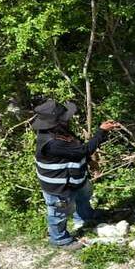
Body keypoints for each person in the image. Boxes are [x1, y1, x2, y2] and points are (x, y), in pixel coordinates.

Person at [32, 99, 121, 250]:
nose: (69, 118)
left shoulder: (60, 131)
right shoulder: (51, 142)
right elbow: (82, 150)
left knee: (83, 196)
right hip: (58, 186)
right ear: (57, 122)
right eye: (65, 117)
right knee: (57, 213)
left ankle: (85, 216)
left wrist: (89, 162)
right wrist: (102, 131)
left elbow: (77, 147)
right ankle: (59, 239)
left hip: (74, 177)